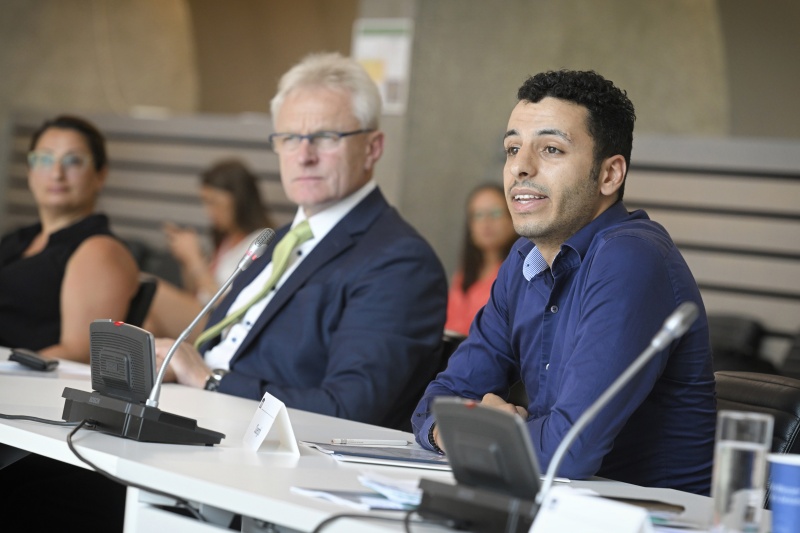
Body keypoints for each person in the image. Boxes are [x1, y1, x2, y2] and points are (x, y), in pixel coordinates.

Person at [413, 70, 716, 495]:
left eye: (551, 149)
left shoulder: (631, 258)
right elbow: (441, 398)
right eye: (512, 148)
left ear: (609, 175)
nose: (520, 166)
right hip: (553, 506)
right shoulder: (525, 258)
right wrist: (452, 431)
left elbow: (568, 452)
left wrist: (479, 432)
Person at [155, 52, 448, 430]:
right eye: (290, 138)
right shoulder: (272, 241)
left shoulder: (400, 261)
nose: (304, 156)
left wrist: (210, 382)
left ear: (372, 148)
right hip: (197, 416)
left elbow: (349, 409)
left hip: (268, 453)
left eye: (326, 137)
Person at [0, 115, 139, 362]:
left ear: (100, 174)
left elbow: (78, 353)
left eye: (73, 161)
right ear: (29, 171)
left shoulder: (99, 250)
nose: (56, 173)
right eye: (43, 159)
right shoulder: (18, 239)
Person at [143, 159, 271, 340]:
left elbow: (231, 305)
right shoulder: (226, 241)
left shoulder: (259, 243)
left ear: (240, 201)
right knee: (147, 324)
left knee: (151, 289)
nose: (208, 211)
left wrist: (195, 259)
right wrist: (187, 260)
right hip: (203, 315)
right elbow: (195, 293)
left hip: (224, 325)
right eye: (205, 202)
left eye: (214, 202)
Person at [445, 183, 517, 336]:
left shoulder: (519, 274)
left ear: (513, 218)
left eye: (496, 213)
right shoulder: (464, 274)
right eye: (478, 215)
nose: (486, 223)